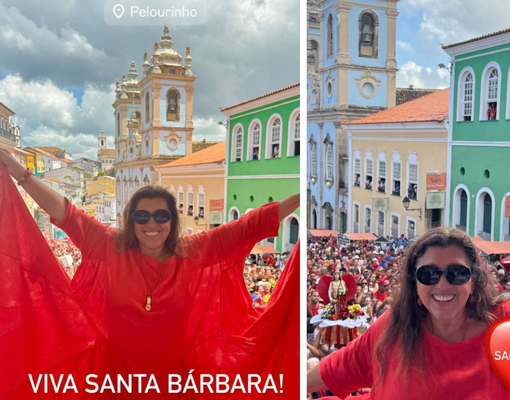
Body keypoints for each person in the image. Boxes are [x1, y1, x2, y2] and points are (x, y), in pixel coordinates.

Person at [0, 148, 301, 399]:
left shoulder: (193, 251)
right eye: (141, 215)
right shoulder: (108, 245)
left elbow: (250, 224)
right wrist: (19, 173)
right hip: (116, 380)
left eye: (161, 215)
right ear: (131, 220)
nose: (151, 224)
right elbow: (66, 212)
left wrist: (304, 197)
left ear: (172, 220)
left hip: (176, 382)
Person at [307, 227, 510, 398]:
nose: (443, 284)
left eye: (457, 273)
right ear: (413, 281)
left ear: (473, 280)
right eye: (429, 274)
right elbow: (327, 373)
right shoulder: (392, 330)